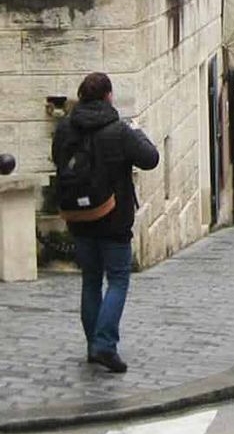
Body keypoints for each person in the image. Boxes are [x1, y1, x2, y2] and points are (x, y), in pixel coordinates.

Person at [51, 71, 159, 374]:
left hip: (78, 217)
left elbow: (57, 159)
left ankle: (93, 346)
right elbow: (150, 158)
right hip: (113, 217)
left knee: (90, 280)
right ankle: (104, 344)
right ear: (108, 96)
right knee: (118, 279)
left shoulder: (65, 128)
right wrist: (137, 131)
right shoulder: (119, 130)